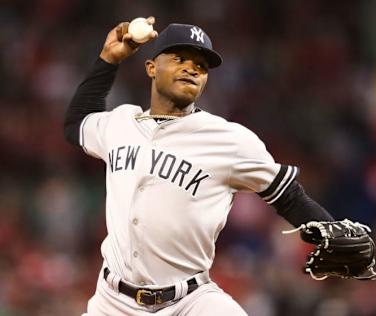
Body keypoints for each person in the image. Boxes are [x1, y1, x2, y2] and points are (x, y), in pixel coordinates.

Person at [65, 17, 350, 315]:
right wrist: (108, 60)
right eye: (180, 59)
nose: (191, 68)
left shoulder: (229, 140)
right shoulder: (121, 123)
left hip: (189, 302)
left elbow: (288, 197)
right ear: (151, 68)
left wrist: (333, 236)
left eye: (201, 66)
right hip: (112, 302)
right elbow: (76, 124)